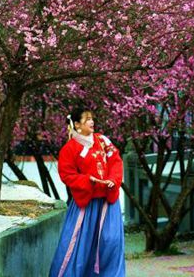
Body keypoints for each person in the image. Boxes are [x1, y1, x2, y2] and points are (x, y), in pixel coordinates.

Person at [49, 108, 126, 277]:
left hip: (108, 202)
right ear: (77, 125)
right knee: (78, 246)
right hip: (86, 204)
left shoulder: (103, 140)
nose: (92, 122)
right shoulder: (70, 148)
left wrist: (113, 179)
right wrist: (87, 181)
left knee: (111, 242)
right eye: (87, 119)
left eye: (92, 118)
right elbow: (67, 174)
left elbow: (116, 161)